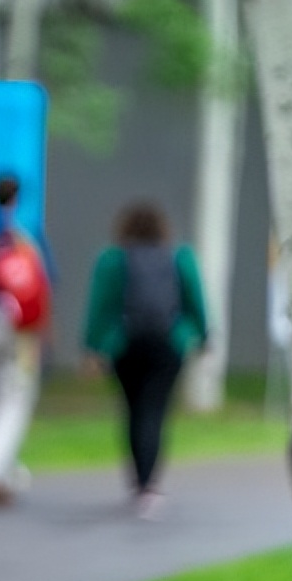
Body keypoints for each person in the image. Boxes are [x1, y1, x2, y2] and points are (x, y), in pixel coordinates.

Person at [81, 201, 207, 520]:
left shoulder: (112, 259)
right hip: (168, 344)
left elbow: (100, 305)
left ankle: (139, 479)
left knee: (134, 410)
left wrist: (93, 347)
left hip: (126, 345)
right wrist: (202, 336)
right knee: (155, 411)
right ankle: (150, 483)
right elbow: (196, 301)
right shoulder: (180, 257)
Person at [0, 174, 53, 505]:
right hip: (17, 329)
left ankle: (2, 465)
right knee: (16, 397)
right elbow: (45, 284)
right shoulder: (25, 235)